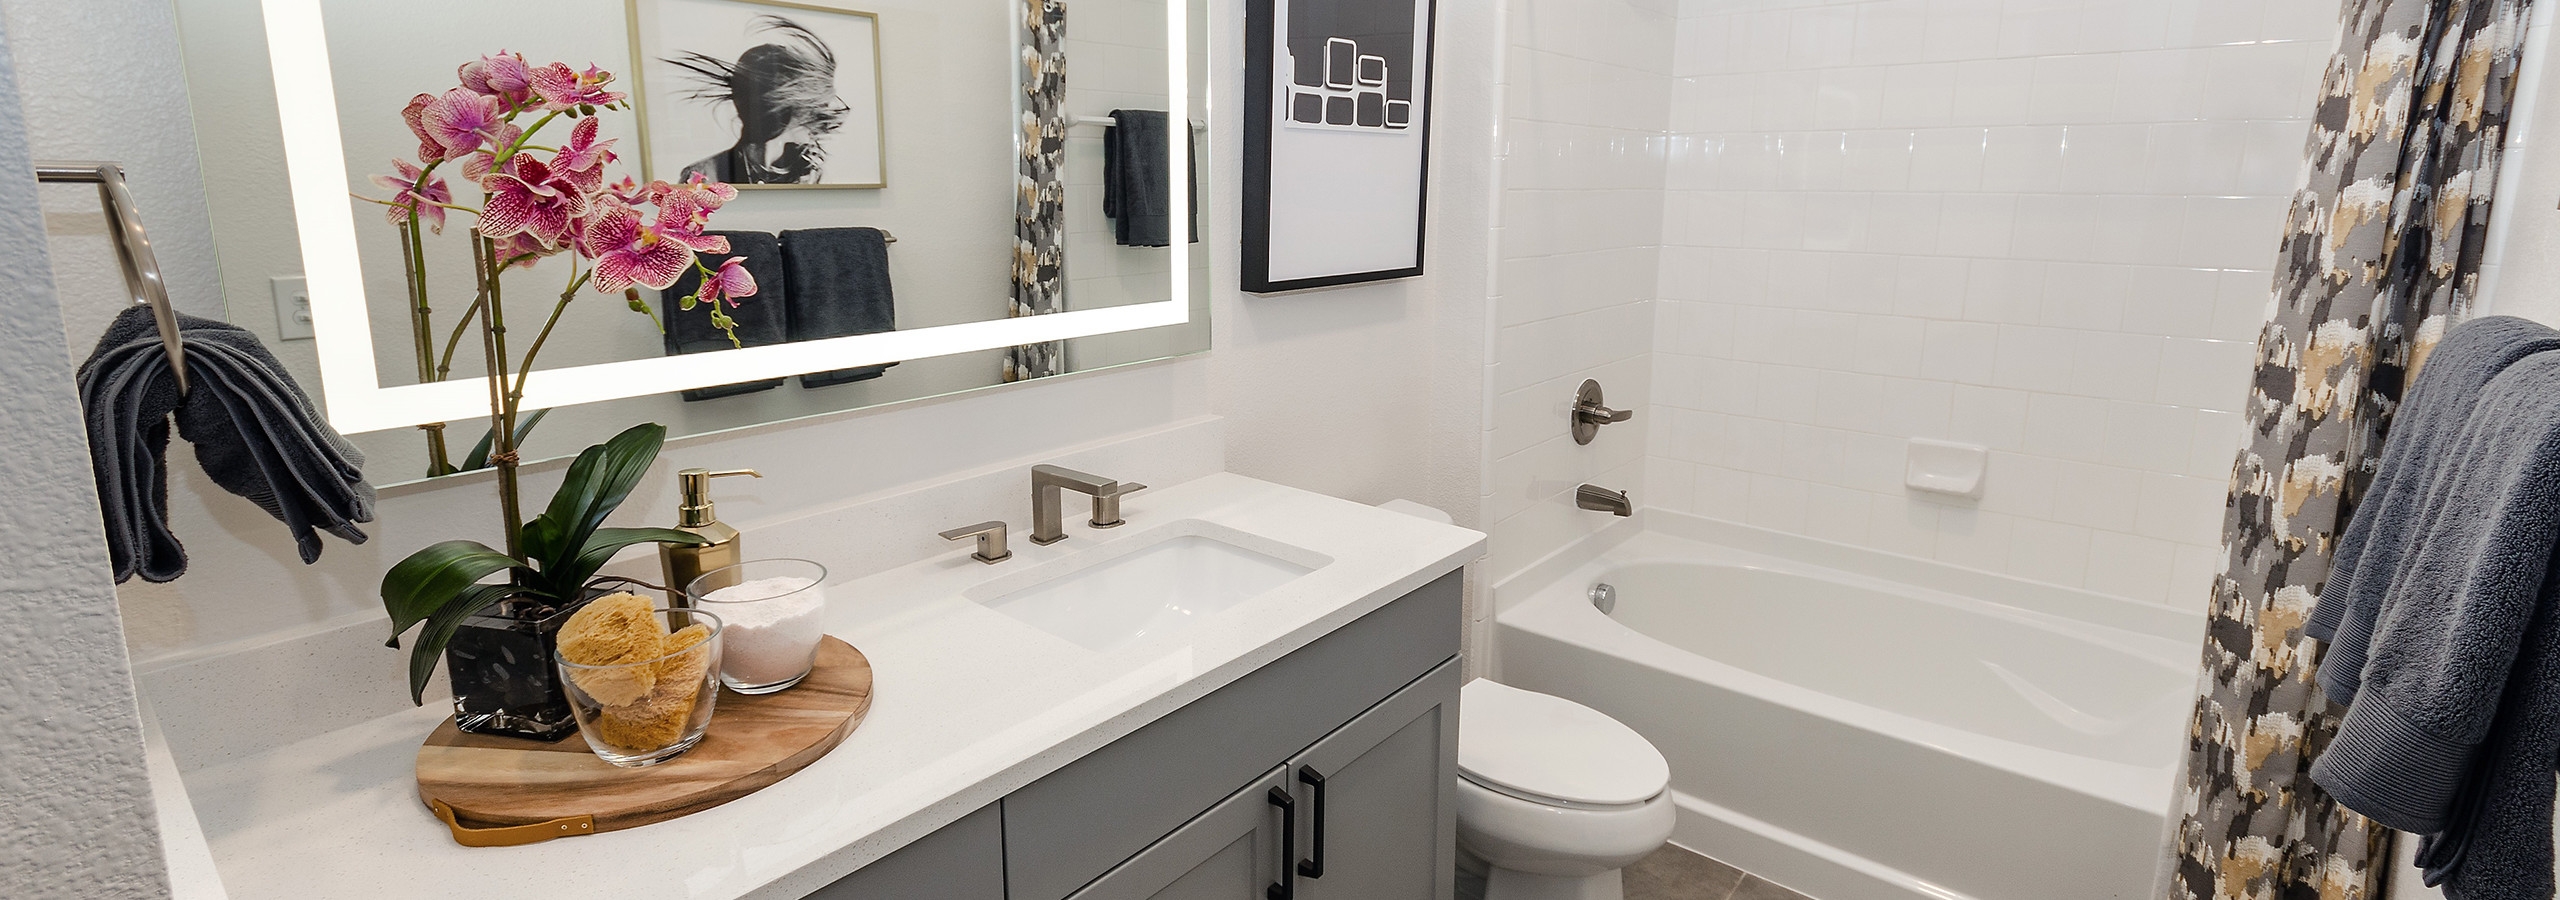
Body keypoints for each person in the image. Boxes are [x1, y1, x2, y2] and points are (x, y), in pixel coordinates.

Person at [668, 16, 852, 184]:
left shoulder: (813, 174)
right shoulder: (702, 176)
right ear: (784, 108)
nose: (822, 116)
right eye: (814, 106)